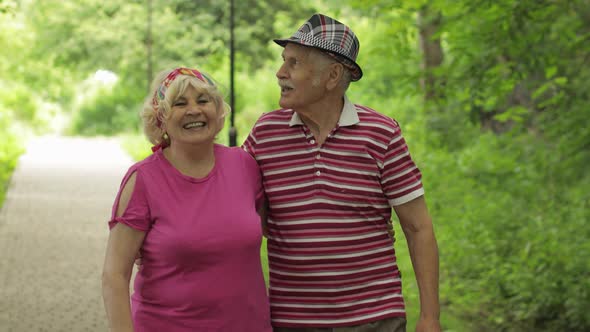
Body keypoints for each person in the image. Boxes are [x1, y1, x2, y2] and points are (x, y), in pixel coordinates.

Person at [243, 14, 441, 332]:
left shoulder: (381, 133)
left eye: (294, 63)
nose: (280, 73)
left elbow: (418, 228)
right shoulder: (265, 135)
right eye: (283, 61)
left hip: (374, 320)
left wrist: (430, 317)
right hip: (294, 322)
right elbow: (234, 212)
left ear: (333, 75)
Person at [101, 67, 272, 332]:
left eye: (203, 101)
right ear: (161, 119)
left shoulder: (245, 165)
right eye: (179, 104)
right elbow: (115, 275)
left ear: (217, 110)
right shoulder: (143, 179)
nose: (194, 110)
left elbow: (269, 229)